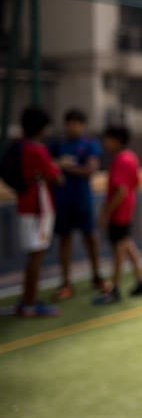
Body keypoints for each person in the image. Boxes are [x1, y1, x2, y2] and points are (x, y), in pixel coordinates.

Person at [48, 108, 105, 299]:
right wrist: (58, 165)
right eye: (70, 123)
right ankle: (66, 282)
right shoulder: (59, 144)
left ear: (83, 125)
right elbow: (48, 166)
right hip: (62, 200)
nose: (73, 127)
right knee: (65, 239)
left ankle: (97, 276)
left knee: (90, 237)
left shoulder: (89, 144)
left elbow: (91, 169)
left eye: (77, 123)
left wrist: (68, 168)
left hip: (83, 199)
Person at [15, 106, 63, 317]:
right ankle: (31, 303)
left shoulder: (20, 146)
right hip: (38, 209)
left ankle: (27, 299)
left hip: (25, 205)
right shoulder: (36, 149)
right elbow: (55, 176)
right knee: (37, 255)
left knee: (32, 255)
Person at [93, 125, 142, 304]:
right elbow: (136, 183)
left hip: (119, 213)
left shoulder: (121, 160)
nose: (105, 143)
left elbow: (121, 190)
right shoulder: (131, 157)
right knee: (127, 245)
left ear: (116, 140)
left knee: (118, 250)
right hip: (126, 210)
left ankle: (114, 289)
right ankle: (140, 281)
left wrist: (106, 212)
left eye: (107, 139)